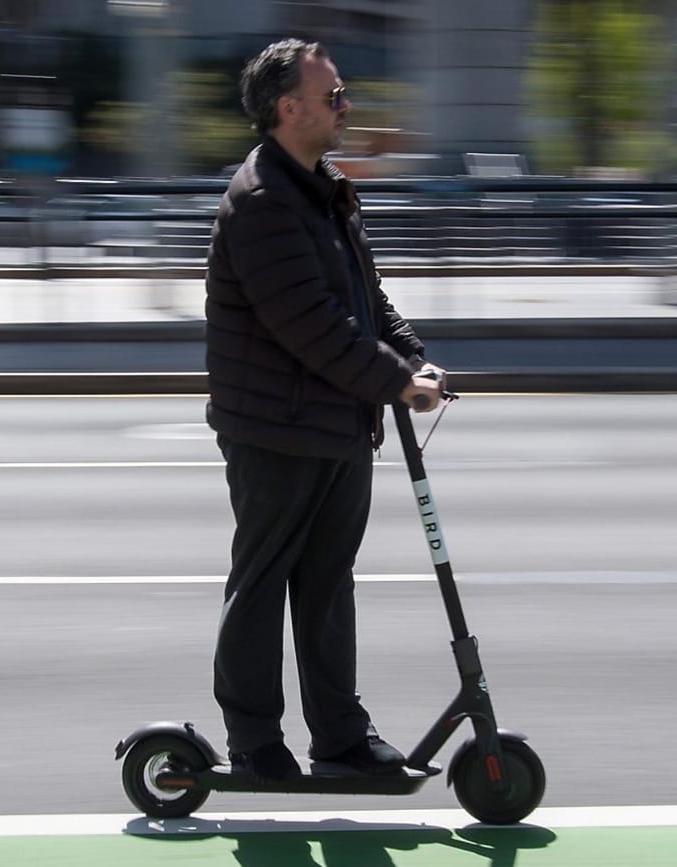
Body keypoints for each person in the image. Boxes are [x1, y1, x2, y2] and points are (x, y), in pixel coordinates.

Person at [203, 38, 446, 782]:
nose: (346, 106)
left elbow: (367, 300)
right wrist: (394, 382)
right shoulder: (262, 202)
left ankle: (340, 735)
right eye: (334, 95)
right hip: (275, 431)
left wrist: (412, 358)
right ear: (289, 108)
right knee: (264, 581)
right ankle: (253, 741)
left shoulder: (324, 187)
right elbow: (312, 324)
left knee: (328, 583)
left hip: (338, 422)